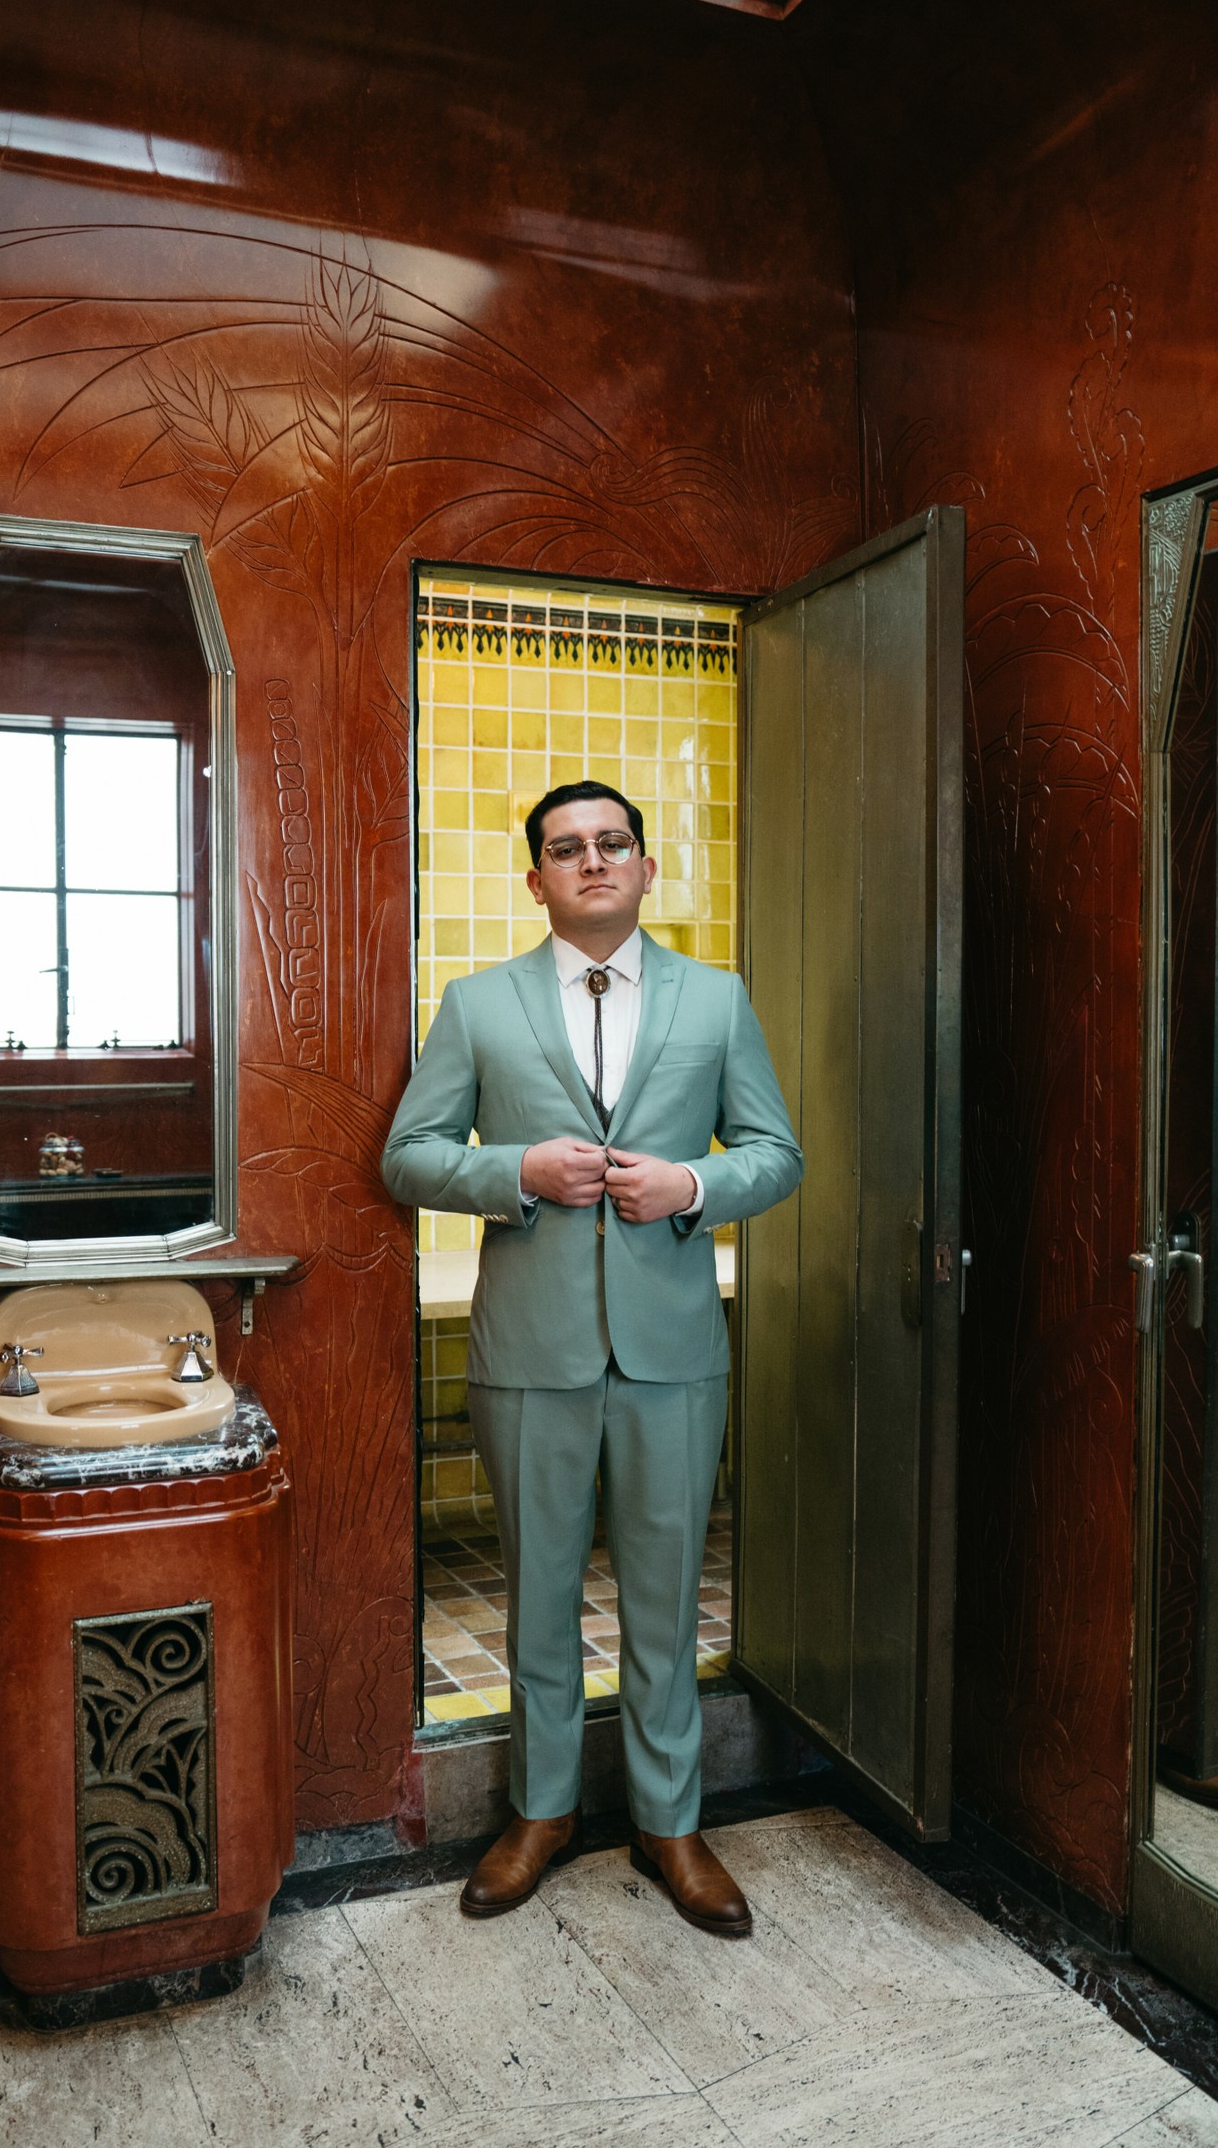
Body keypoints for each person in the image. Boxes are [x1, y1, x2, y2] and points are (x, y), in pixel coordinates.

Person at [381, 779, 803, 1937]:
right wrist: (511, 1172)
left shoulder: (717, 1004)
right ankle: (542, 1810)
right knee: (540, 1598)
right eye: (567, 849)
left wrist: (695, 1186)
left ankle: (672, 1824)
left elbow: (777, 1153)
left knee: (667, 1602)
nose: (594, 861)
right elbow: (410, 1156)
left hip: (672, 1351)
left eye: (614, 843)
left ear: (646, 868)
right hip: (531, 1350)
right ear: (539, 881)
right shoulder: (478, 1006)